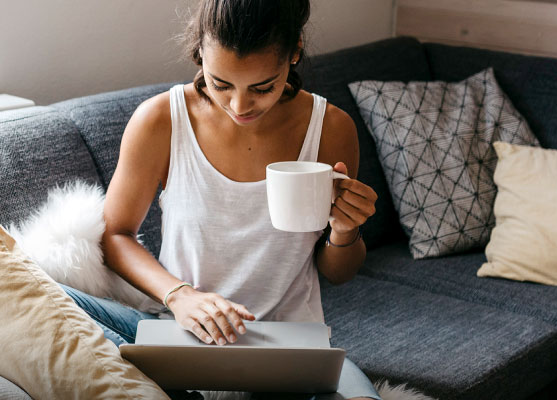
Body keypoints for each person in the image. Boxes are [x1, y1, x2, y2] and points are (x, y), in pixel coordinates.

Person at [60, 0, 380, 398]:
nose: (239, 106)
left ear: (294, 52)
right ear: (199, 53)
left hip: (289, 347)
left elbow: (338, 271)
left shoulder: (331, 128)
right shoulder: (160, 121)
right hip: (181, 333)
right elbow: (115, 234)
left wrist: (346, 231)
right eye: (221, 83)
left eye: (263, 87)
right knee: (49, 296)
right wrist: (181, 296)